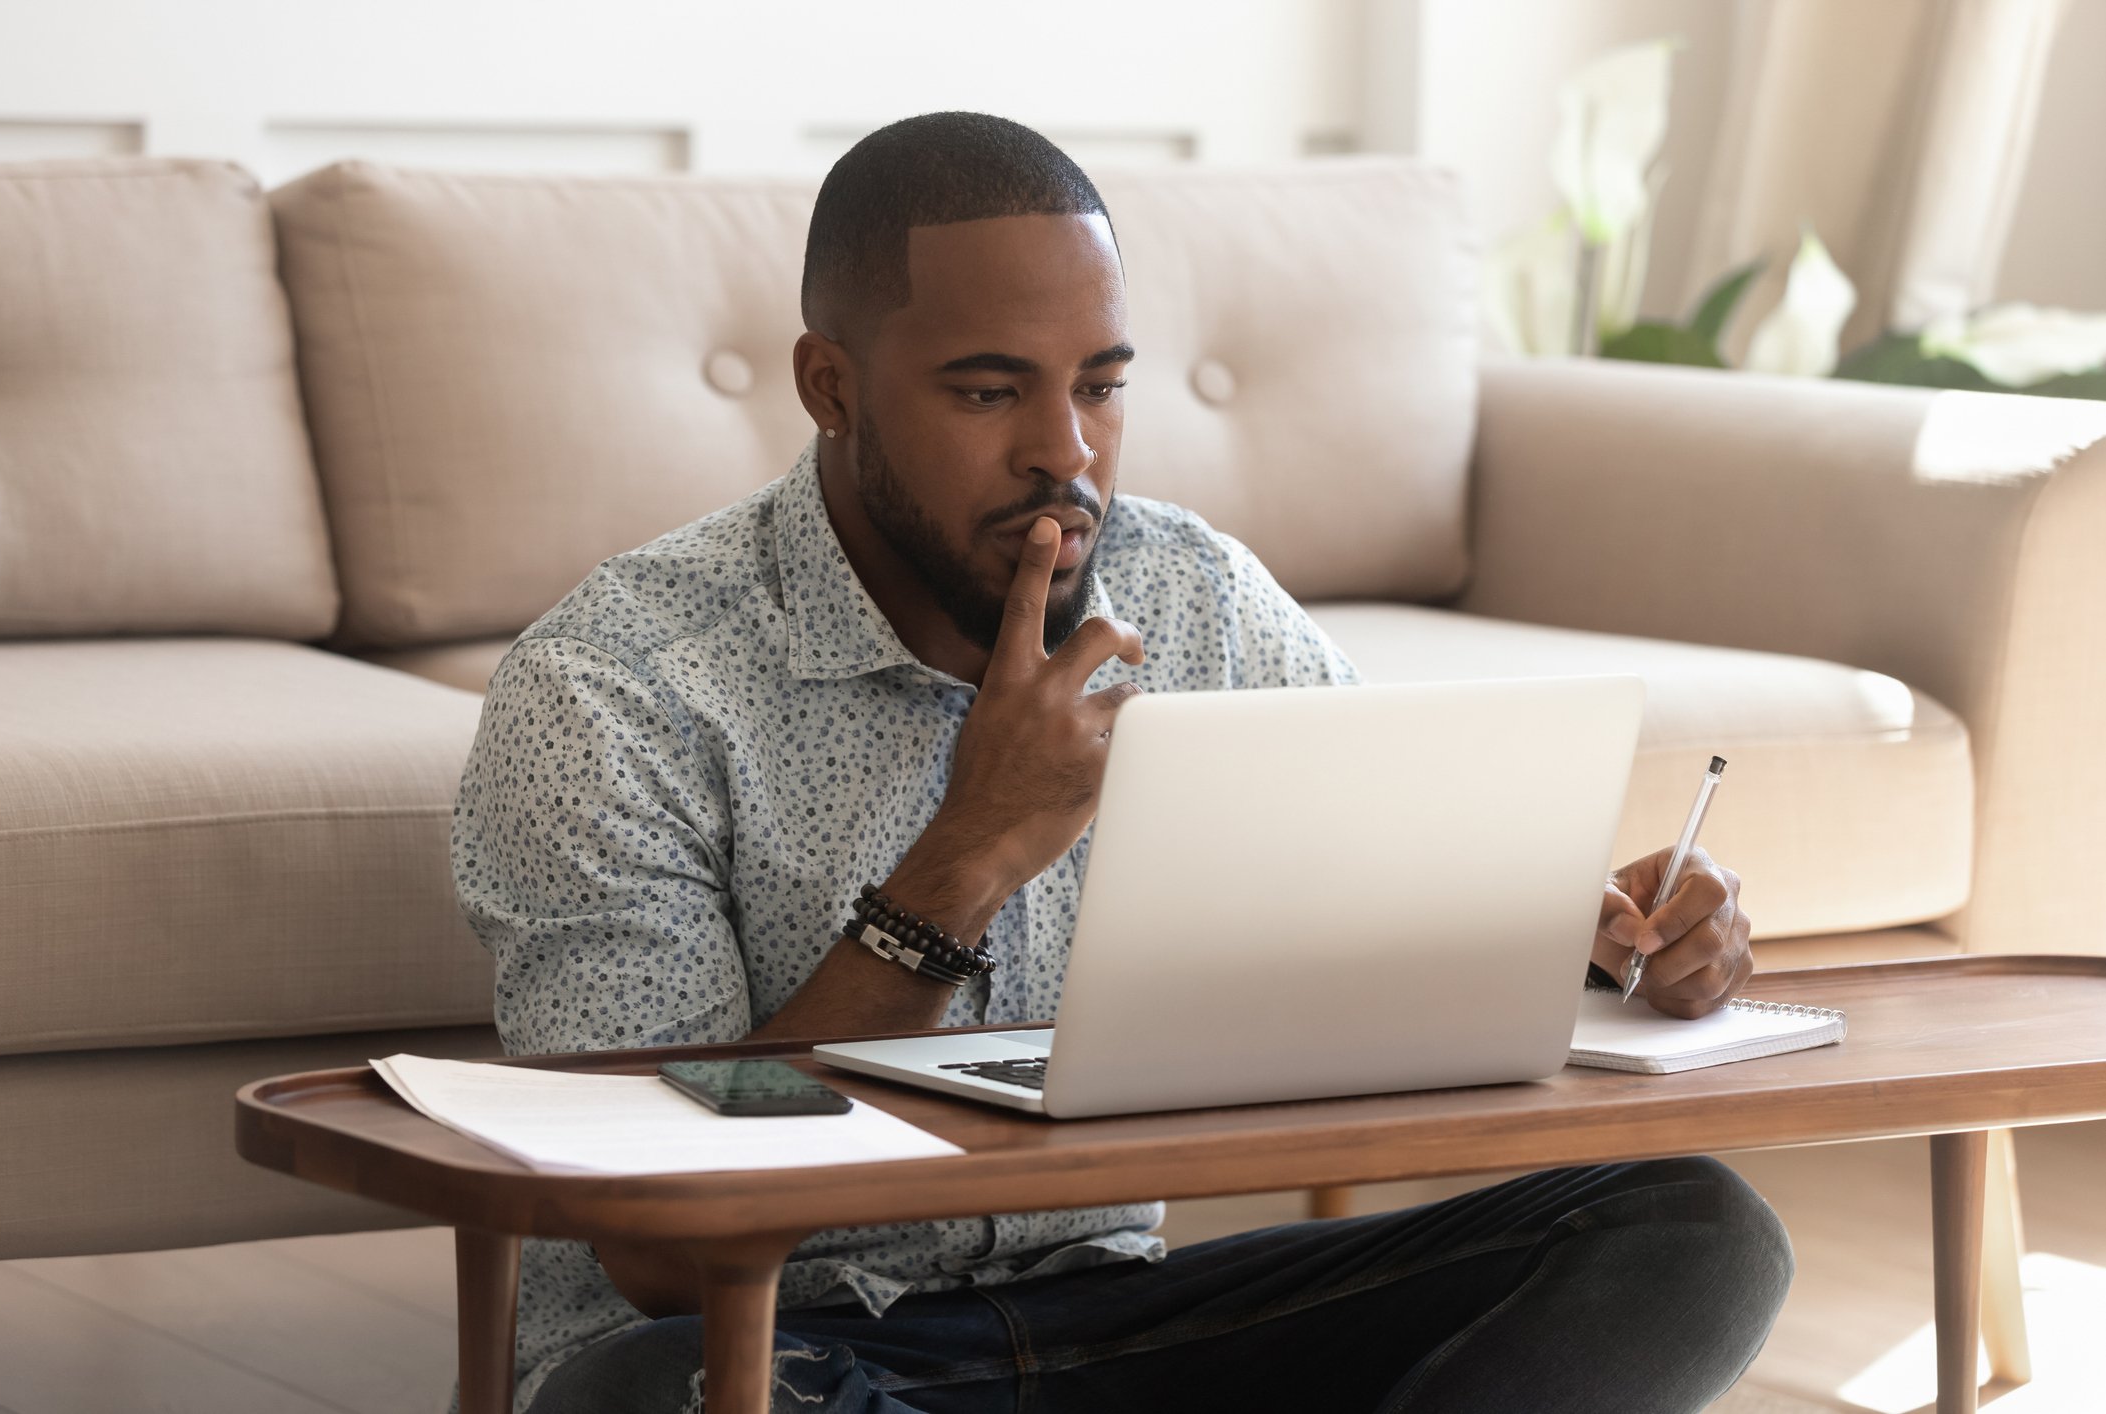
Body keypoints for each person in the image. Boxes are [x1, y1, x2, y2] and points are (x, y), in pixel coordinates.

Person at [452, 110, 1792, 1414]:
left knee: (1690, 1228)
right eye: (988, 390)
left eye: (1099, 384)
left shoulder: (1192, 598)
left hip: (1129, 1314)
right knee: (655, 1394)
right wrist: (961, 861)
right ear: (831, 386)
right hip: (778, 1337)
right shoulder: (615, 689)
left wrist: (1606, 934)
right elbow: (660, 1241)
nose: (1065, 453)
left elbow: (1394, 896)